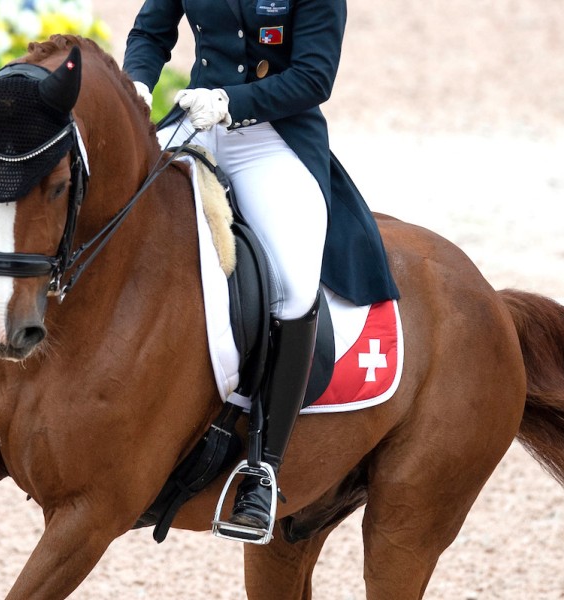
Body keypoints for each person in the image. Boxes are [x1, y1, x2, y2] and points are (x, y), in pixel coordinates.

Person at [123, 0, 400, 542]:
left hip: (271, 139)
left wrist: (232, 102)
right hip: (193, 123)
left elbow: (313, 77)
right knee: (114, 223)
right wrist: (136, 83)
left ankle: (262, 467)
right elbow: (151, 29)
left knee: (294, 287)